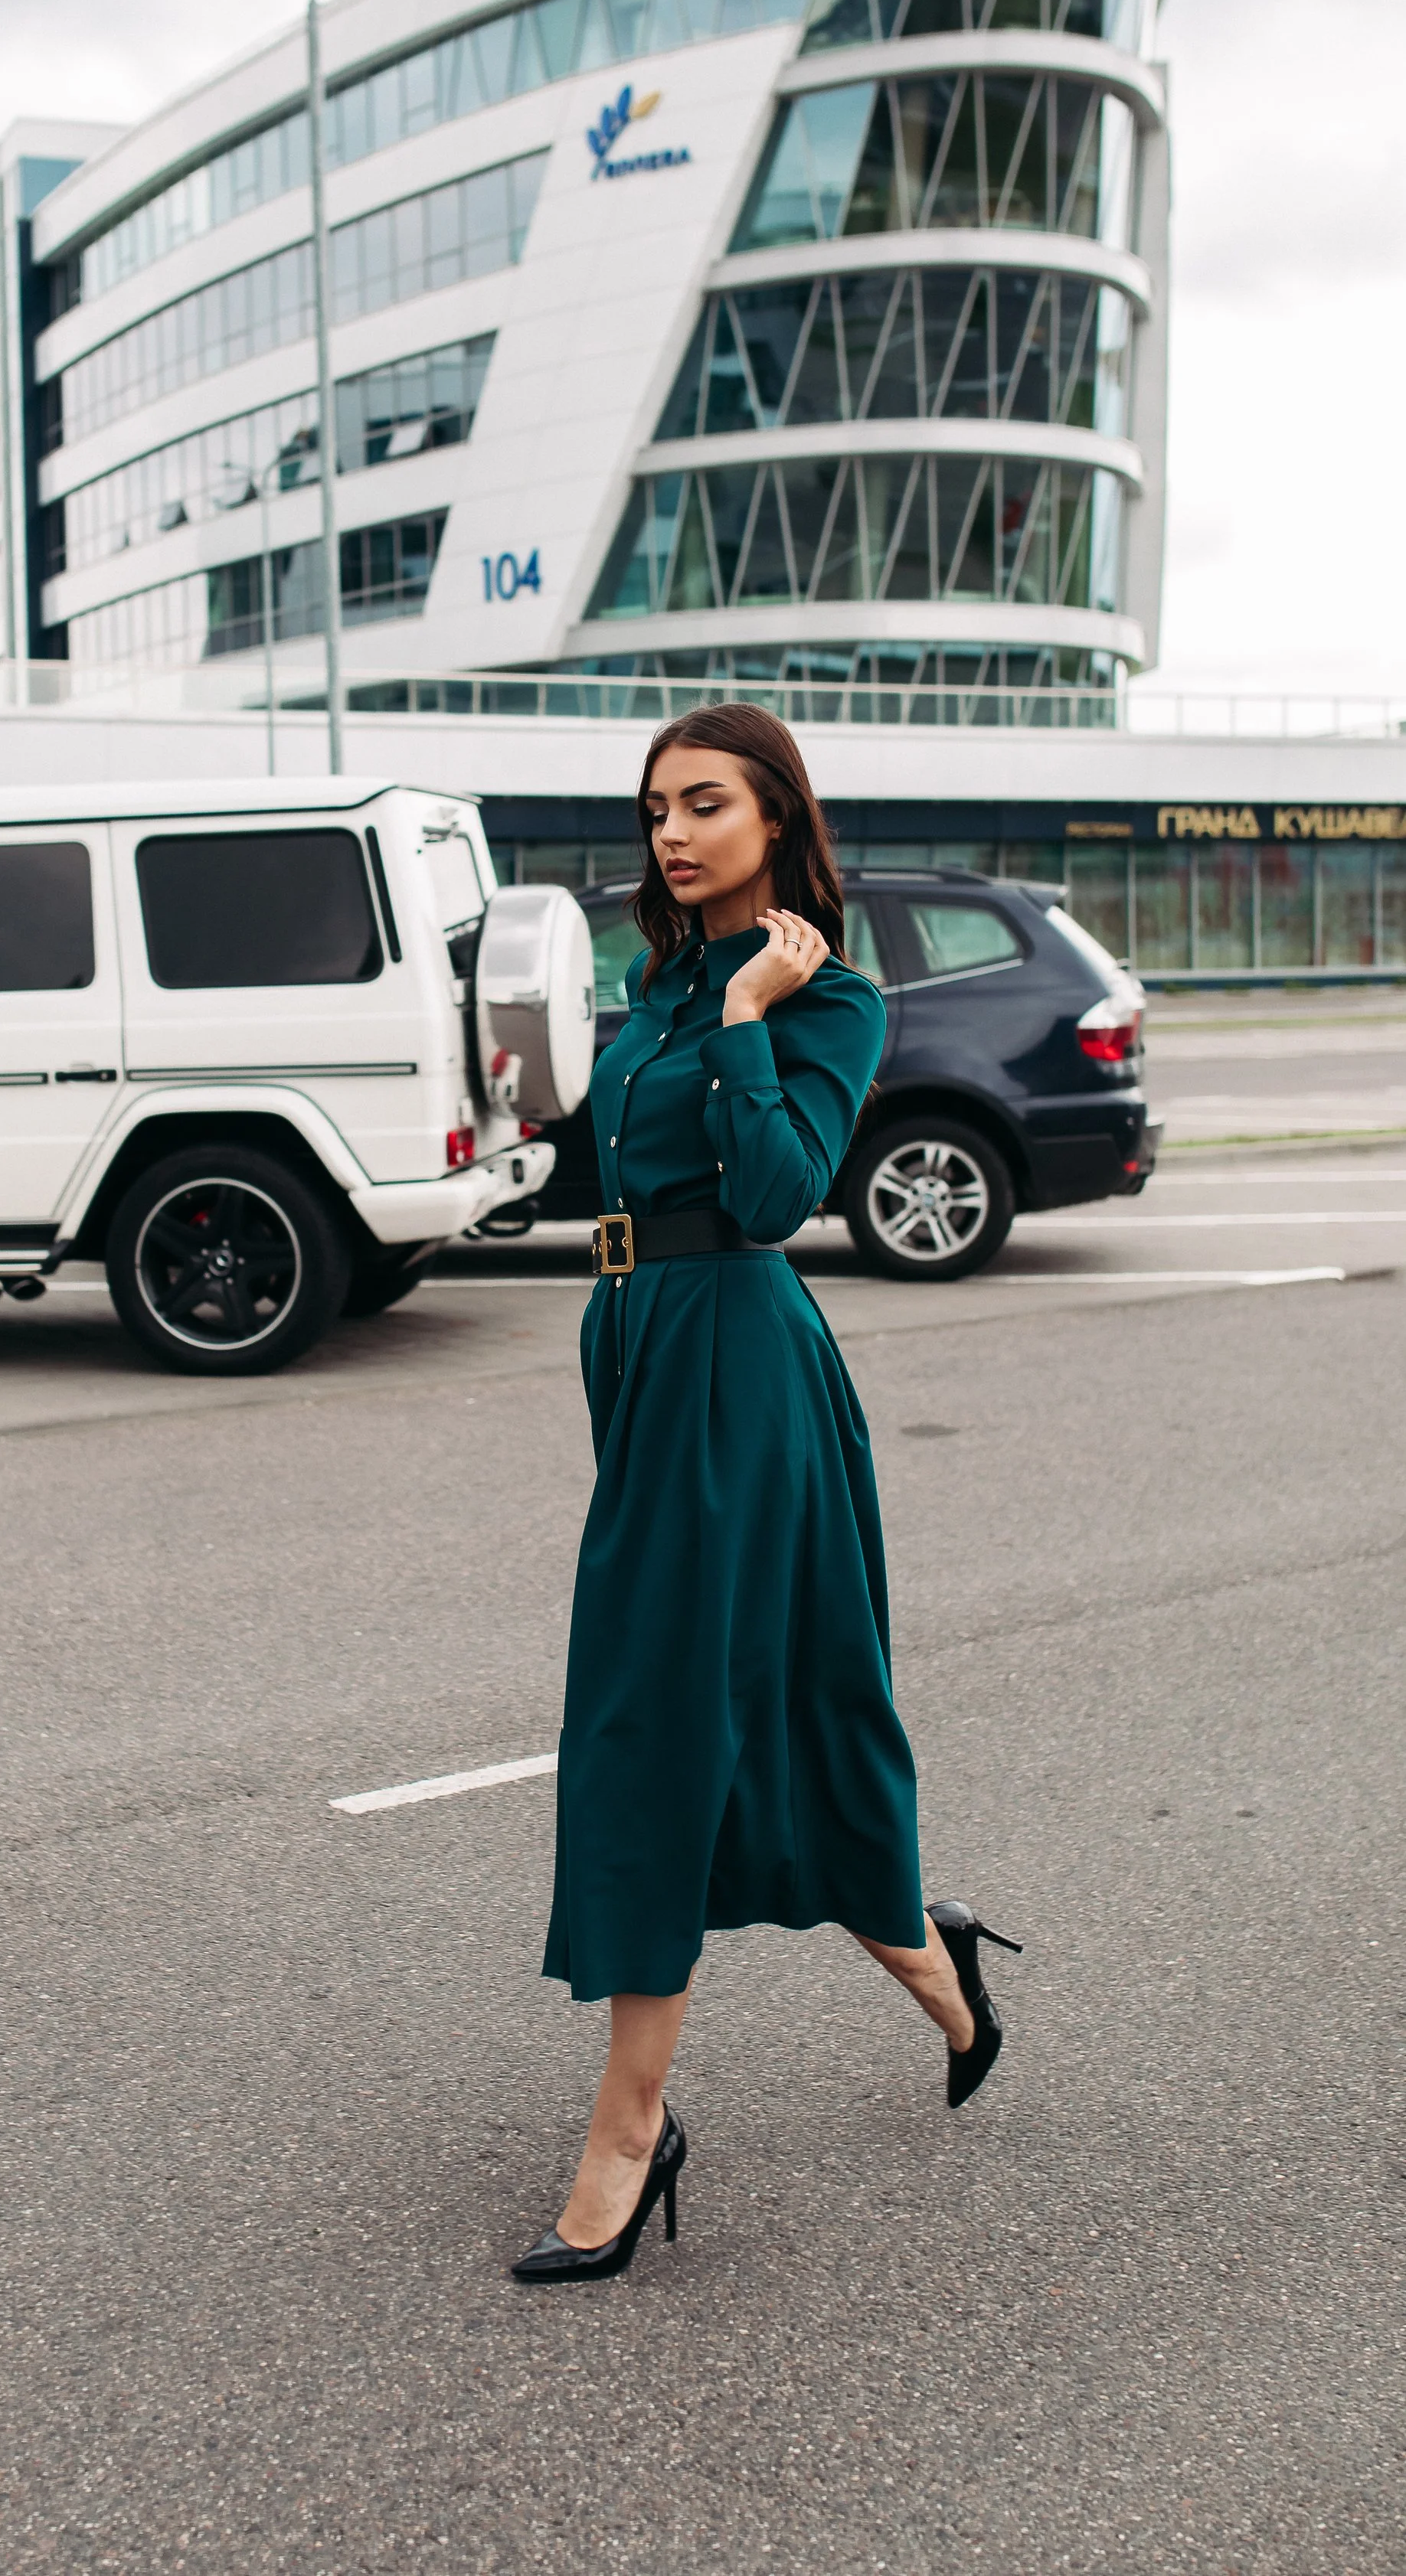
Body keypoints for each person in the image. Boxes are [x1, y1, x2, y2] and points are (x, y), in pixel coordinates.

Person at [512, 703, 1020, 2287]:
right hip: (642, 1350)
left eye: (703, 802)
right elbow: (607, 1179)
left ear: (776, 817)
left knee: (650, 1717)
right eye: (654, 806)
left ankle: (627, 2125)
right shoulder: (654, 986)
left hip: (739, 1363)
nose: (668, 830)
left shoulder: (824, 996)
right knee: (788, 1704)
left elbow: (775, 1196)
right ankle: (936, 1968)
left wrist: (745, 1010)